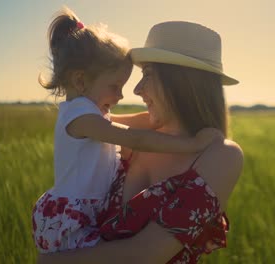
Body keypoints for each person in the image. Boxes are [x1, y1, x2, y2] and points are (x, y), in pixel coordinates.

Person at [38, 21, 243, 263]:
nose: (136, 89)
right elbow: (89, 121)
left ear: (181, 82)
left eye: (147, 74)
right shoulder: (134, 133)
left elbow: (147, 253)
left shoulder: (221, 155)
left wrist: (52, 261)